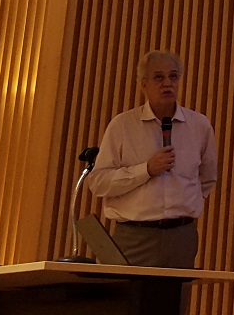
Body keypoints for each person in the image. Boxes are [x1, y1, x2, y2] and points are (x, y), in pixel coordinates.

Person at [87, 50, 218, 268]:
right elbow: (98, 182)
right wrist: (146, 170)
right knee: (126, 301)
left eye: (173, 76)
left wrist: (184, 204)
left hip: (181, 236)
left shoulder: (200, 126)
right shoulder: (122, 126)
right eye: (158, 77)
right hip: (133, 237)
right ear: (143, 85)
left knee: (173, 302)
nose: (167, 83)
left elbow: (207, 179)